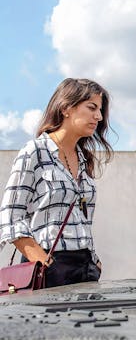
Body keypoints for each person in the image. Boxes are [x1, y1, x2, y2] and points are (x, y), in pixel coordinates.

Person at [0, 78, 113, 288]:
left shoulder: (83, 158)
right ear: (66, 108)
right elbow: (10, 216)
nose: (98, 116)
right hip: (49, 268)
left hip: (86, 267)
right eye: (91, 108)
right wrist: (43, 261)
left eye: (99, 110)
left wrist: (94, 261)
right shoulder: (34, 152)